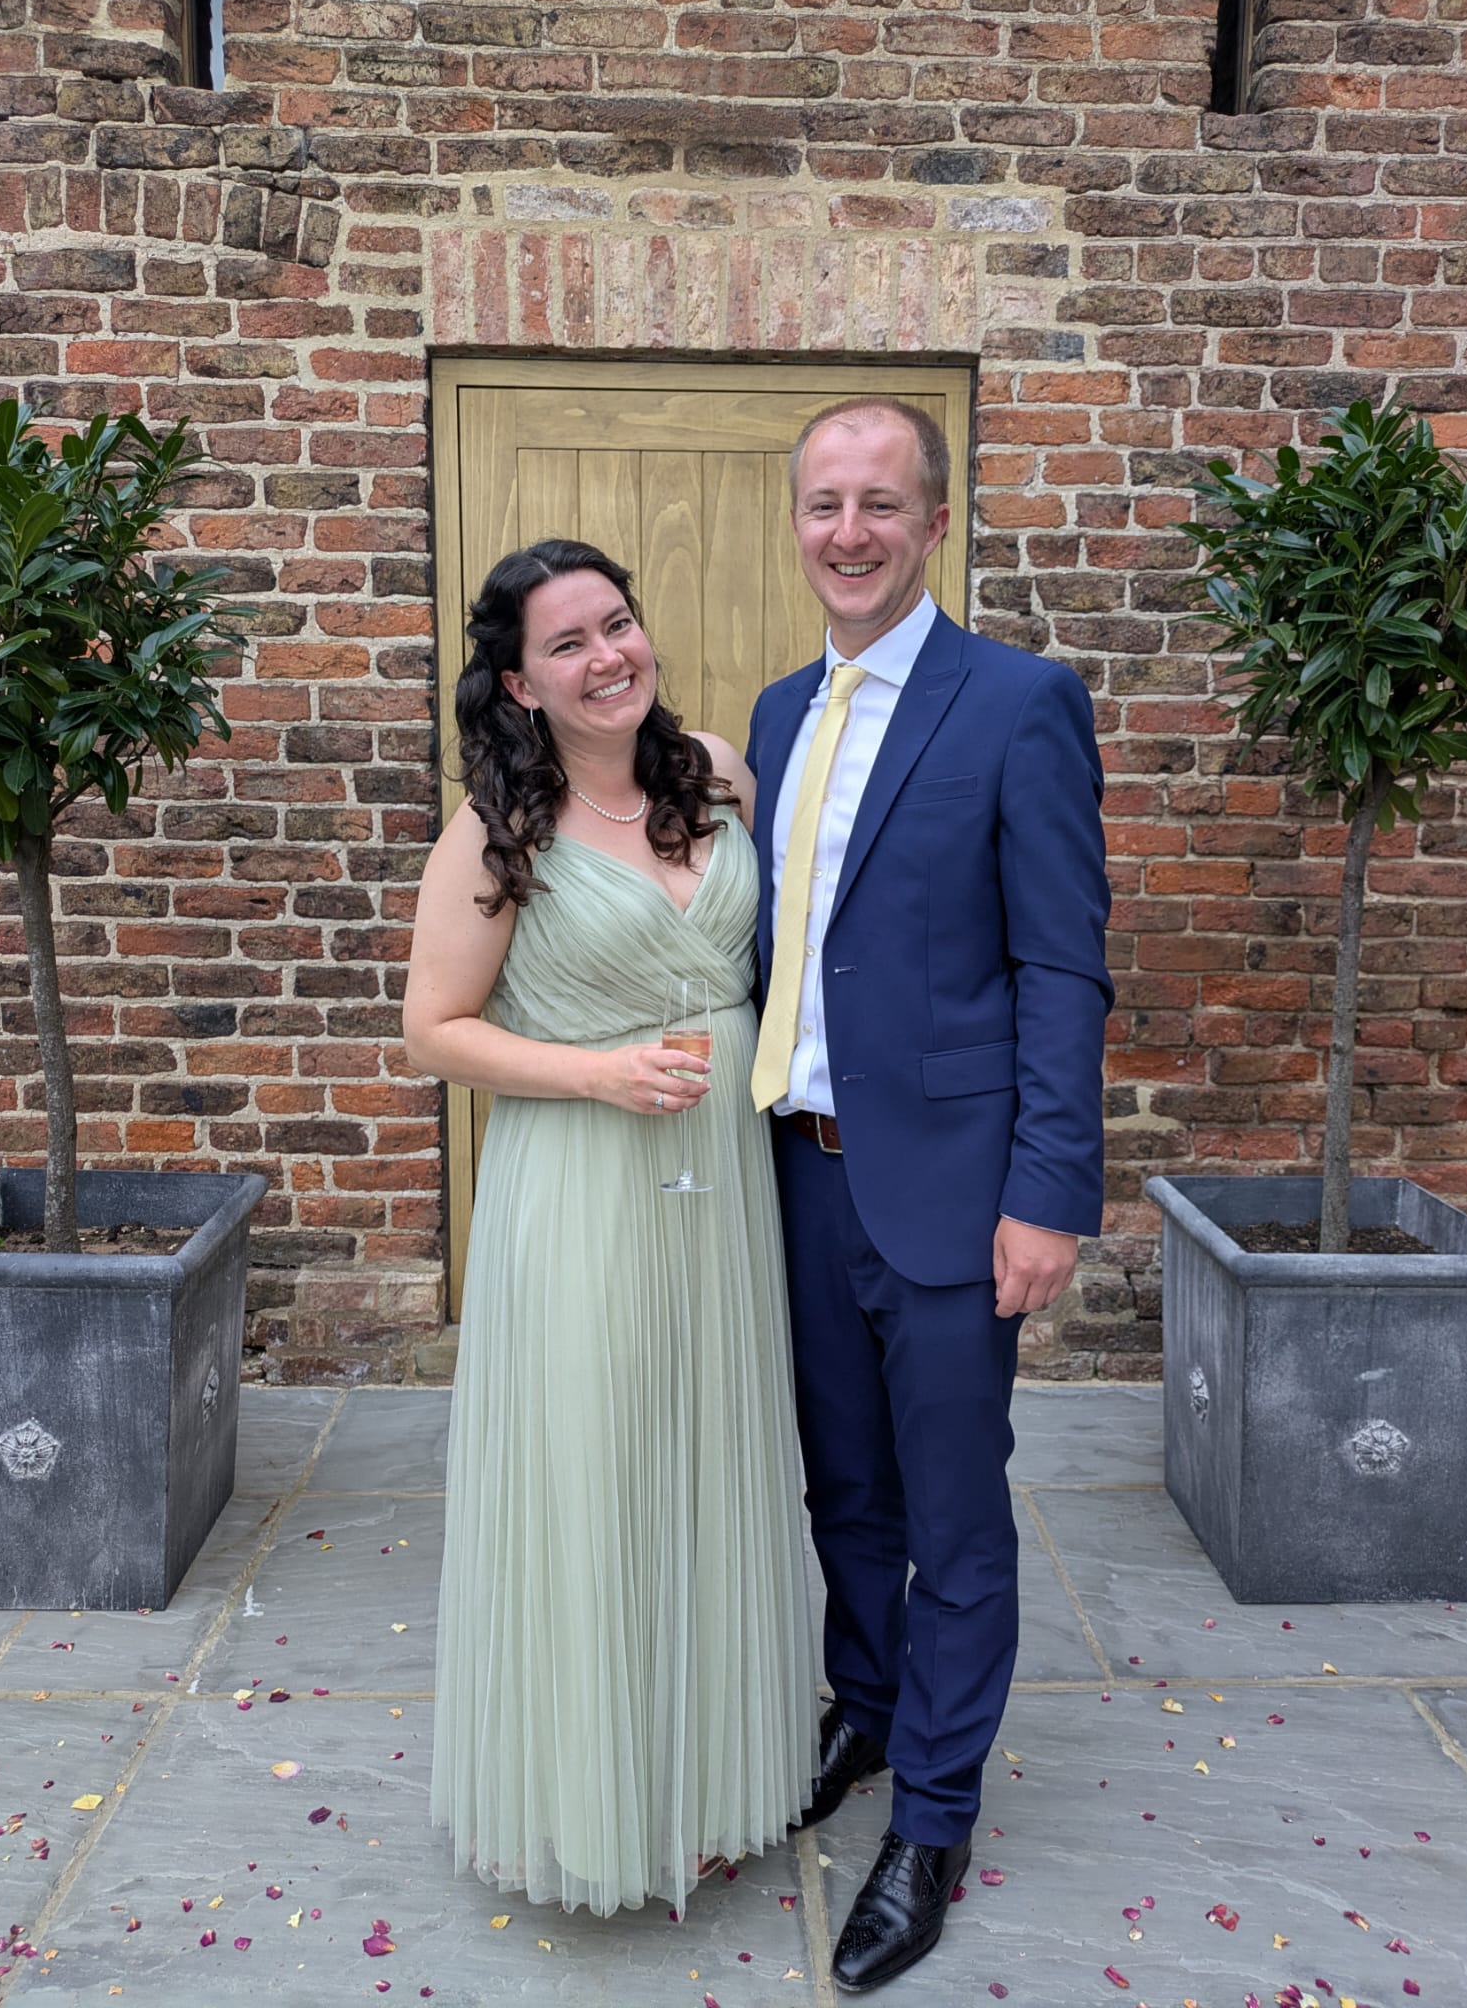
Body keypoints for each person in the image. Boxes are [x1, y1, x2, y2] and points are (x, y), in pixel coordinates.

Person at [747, 398, 1112, 1992]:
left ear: (934, 523)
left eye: (879, 504)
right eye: (824, 503)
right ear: (797, 522)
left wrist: (1048, 1194)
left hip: (958, 1196)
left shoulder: (1018, 704)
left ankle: (935, 1818)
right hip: (798, 1175)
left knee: (953, 1517)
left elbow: (1061, 966)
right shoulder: (775, 715)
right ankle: (870, 1709)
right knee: (842, 1493)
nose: (849, 532)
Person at [405, 537, 817, 1918]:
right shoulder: (494, 834)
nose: (607, 657)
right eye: (568, 643)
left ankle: (702, 1779)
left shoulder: (718, 774)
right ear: (521, 683)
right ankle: (595, 1799)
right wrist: (596, 1073)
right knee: (597, 1472)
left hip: (722, 1179)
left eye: (618, 624)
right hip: (581, 1180)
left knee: (710, 1457)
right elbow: (432, 1031)